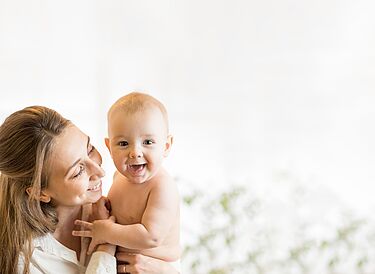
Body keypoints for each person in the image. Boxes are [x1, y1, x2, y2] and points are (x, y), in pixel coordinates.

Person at [0, 105, 178, 274]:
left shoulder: (118, 204)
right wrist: (106, 244)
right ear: (40, 192)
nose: (100, 171)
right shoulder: (26, 260)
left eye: (90, 149)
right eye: (78, 171)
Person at [73, 92, 181, 269]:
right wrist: (105, 205)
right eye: (123, 144)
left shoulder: (162, 187)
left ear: (166, 146)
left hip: (155, 267)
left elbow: (151, 236)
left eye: (147, 142)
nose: (135, 152)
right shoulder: (119, 177)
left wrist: (106, 231)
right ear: (109, 147)